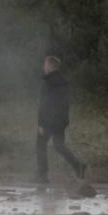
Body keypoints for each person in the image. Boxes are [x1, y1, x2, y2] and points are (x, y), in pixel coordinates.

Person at [35, 55, 86, 184]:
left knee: (40, 145)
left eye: (45, 64)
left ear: (50, 66)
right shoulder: (63, 81)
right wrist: (64, 120)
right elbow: (65, 103)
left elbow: (44, 104)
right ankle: (78, 165)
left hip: (49, 120)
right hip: (61, 120)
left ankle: (42, 176)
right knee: (58, 145)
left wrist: (41, 123)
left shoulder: (48, 82)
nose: (44, 67)